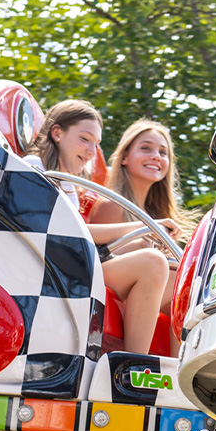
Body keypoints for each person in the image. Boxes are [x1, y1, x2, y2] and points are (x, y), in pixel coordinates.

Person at [25, 100, 172, 355]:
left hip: (74, 264)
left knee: (170, 270)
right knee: (153, 262)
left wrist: (144, 234)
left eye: (96, 144)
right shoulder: (34, 169)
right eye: (85, 139)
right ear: (57, 133)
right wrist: (145, 226)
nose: (92, 151)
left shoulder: (68, 183)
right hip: (52, 268)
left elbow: (77, 233)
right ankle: (132, 362)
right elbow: (67, 231)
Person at [89, 118, 191, 242]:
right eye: (145, 148)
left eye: (163, 152)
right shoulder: (113, 205)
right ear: (124, 157)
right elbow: (96, 258)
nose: (156, 157)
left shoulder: (159, 216)